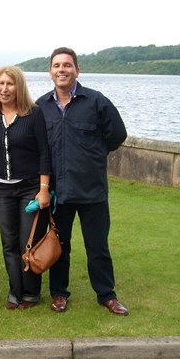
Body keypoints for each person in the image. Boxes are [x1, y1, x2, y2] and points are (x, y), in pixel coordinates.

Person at [36, 47, 130, 316]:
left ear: (77, 70)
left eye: (67, 65)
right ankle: (58, 293)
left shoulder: (96, 101)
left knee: (97, 246)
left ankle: (106, 295)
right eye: (56, 65)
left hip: (92, 190)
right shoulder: (41, 106)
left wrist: (92, 156)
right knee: (59, 246)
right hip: (59, 192)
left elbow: (117, 135)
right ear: (50, 72)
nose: (61, 70)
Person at [0, 66, 51, 310]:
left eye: (10, 84)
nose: (4, 89)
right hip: (1, 190)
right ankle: (15, 291)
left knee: (28, 242)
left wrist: (44, 189)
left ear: (19, 87)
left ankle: (31, 293)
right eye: (0, 84)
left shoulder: (33, 114)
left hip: (29, 189)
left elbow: (45, 152)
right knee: (8, 242)